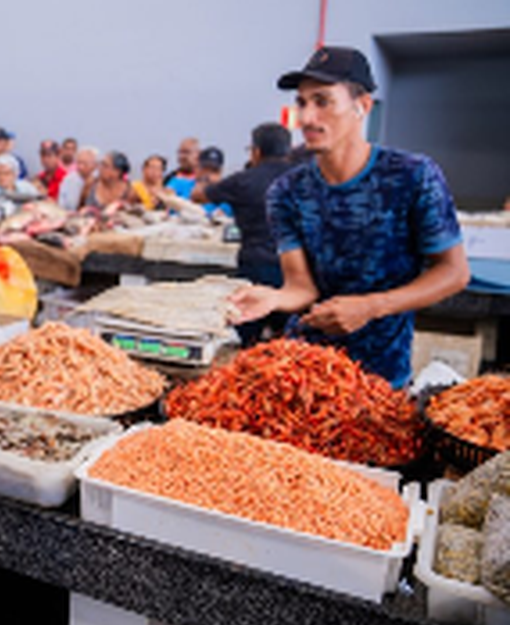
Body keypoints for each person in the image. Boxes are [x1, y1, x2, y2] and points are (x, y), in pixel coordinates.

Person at [230, 46, 470, 388]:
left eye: (323, 101)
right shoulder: (286, 192)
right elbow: (302, 287)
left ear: (362, 106)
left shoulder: (412, 176)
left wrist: (372, 307)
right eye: (302, 103)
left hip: (381, 377)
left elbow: (454, 272)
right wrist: (274, 298)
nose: (307, 118)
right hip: (306, 372)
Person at [199, 123, 293, 345]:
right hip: (294, 271)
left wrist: (206, 180)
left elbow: (201, 195)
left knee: (245, 335)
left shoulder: (244, 179)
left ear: (256, 151)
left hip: (255, 266)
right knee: (290, 341)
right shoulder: (303, 179)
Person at [190, 147, 233, 216]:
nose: (209, 174)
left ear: (221, 172)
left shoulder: (227, 195)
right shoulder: (183, 185)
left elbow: (220, 215)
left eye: (214, 170)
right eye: (205, 168)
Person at [58, 146, 99, 211]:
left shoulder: (99, 180)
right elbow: (61, 204)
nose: (80, 167)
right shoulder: (69, 180)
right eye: (79, 163)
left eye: (84, 164)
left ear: (95, 165)